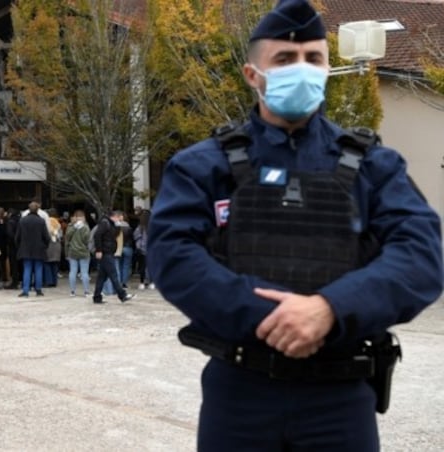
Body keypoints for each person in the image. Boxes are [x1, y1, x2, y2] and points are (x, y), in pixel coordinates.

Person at [147, 1, 443, 451]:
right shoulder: (201, 167)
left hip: (340, 396)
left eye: (313, 58)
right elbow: (173, 257)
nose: (301, 69)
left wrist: (329, 309)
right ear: (252, 75)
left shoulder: (375, 168)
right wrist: (274, 318)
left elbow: (421, 257)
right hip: (241, 393)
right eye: (284, 59)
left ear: (328, 68)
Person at [92, 210, 136, 304]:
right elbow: (97, 235)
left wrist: (118, 226)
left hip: (108, 252)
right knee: (114, 275)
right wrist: (99, 250)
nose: (119, 219)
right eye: (118, 217)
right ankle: (122, 295)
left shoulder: (111, 224)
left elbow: (114, 235)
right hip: (105, 252)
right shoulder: (105, 223)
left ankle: (97, 297)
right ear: (114, 216)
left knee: (101, 277)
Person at [15, 202, 51, 298]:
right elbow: (46, 237)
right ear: (37, 209)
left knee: (27, 269)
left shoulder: (22, 221)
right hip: (39, 248)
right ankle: (38, 290)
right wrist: (45, 246)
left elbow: (17, 237)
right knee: (38, 269)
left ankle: (25, 290)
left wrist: (19, 246)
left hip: (25, 248)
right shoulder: (41, 221)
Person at [64, 210, 91, 297]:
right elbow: (87, 240)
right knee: (84, 272)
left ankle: (72, 291)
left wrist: (66, 253)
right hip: (83, 252)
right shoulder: (85, 227)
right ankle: (86, 291)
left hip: (72, 252)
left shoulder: (70, 226)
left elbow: (67, 239)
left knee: (73, 272)